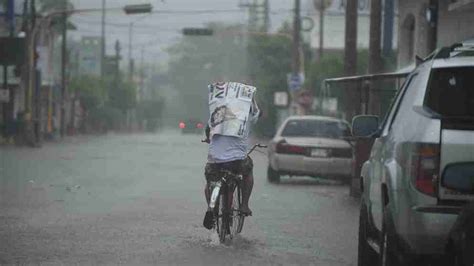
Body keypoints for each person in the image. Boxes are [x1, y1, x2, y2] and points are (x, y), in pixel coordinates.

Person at [203, 81, 261, 229]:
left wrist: (209, 139)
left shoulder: (217, 114)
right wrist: (251, 100)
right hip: (237, 160)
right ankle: (244, 205)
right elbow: (256, 115)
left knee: (210, 182)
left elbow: (208, 130)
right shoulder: (246, 114)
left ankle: (211, 208)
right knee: (248, 171)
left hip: (215, 160)